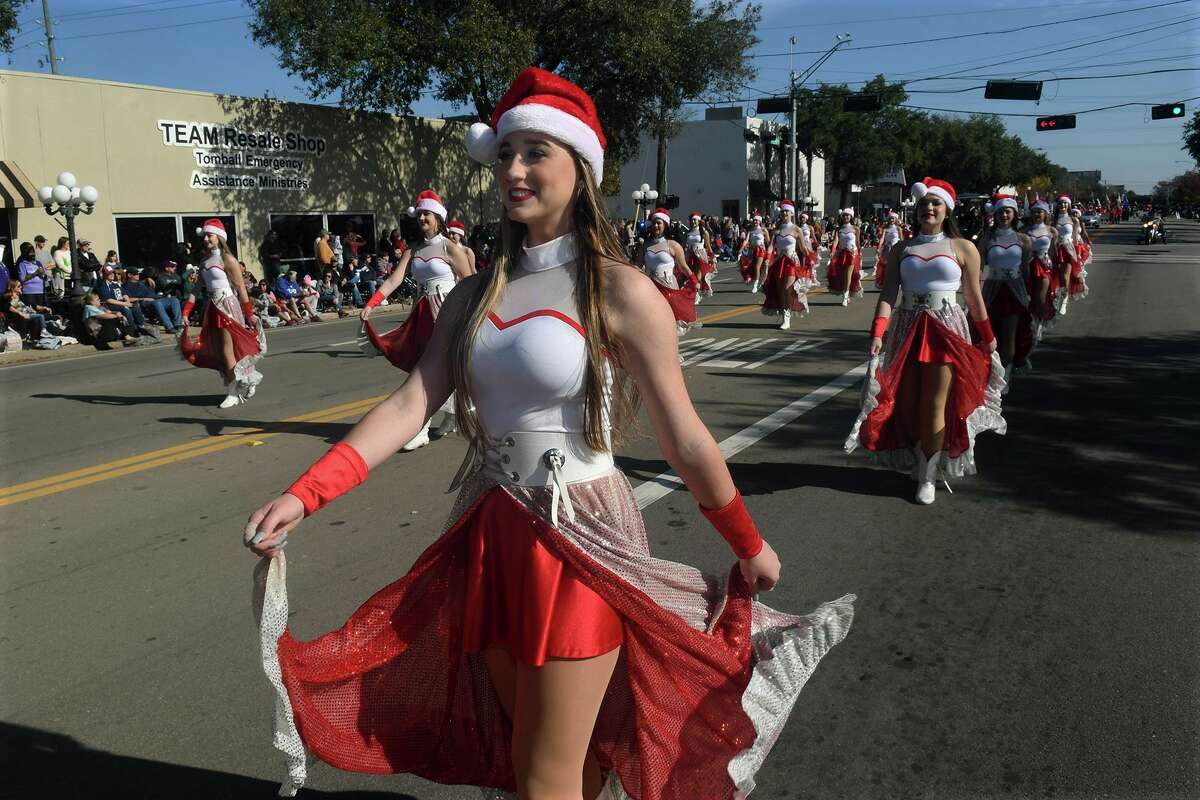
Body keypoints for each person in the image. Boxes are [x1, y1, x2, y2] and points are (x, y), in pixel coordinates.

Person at [245, 66, 853, 800]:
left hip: (580, 535)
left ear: (582, 167)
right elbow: (411, 404)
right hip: (490, 527)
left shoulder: (619, 289)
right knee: (545, 758)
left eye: (536, 151)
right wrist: (305, 494)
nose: (515, 169)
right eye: (506, 154)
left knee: (544, 774)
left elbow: (684, 434)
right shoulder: (476, 290)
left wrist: (746, 540)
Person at [845, 177, 1006, 505]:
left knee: (934, 403)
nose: (928, 209)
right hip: (907, 327)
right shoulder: (901, 248)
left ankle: (929, 473)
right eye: (923, 204)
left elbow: (974, 298)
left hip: (945, 328)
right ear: (915, 210)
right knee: (903, 405)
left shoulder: (963, 248)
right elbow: (890, 293)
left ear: (947, 210)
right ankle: (919, 455)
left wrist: (988, 338)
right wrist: (878, 332)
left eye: (935, 204)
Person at [360, 189, 472, 450]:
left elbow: (469, 281)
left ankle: (425, 425)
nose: (422, 218)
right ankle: (436, 420)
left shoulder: (449, 246)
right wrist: (372, 303)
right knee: (423, 368)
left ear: (438, 217)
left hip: (446, 310)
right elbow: (394, 279)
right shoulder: (415, 249)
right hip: (422, 311)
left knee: (435, 368)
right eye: (420, 214)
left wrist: (466, 313)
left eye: (427, 214)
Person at [178, 219, 265, 408]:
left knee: (229, 348)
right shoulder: (204, 262)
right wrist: (186, 311)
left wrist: (249, 313)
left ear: (219, 237)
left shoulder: (228, 260)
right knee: (224, 349)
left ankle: (233, 392)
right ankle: (247, 378)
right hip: (213, 306)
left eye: (210, 235)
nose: (207, 239)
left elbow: (241, 288)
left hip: (228, 304)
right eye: (206, 236)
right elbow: (195, 290)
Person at [978, 194, 1033, 394]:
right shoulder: (987, 239)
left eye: (1008, 211)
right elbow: (979, 268)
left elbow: (1026, 268)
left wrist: (1028, 294)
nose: (1004, 215)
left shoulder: (1023, 239)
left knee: (1009, 335)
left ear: (1014, 214)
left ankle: (1005, 375)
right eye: (1000, 211)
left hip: (1014, 290)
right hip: (992, 289)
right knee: (989, 334)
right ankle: (990, 371)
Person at [637, 208, 698, 341]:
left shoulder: (673, 245)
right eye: (653, 223)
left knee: (671, 319)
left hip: (668, 285)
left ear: (665, 224)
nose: (656, 226)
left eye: (659, 223)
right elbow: (637, 266)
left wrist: (695, 281)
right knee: (653, 319)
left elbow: (683, 267)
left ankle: (674, 350)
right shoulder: (645, 246)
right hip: (651, 286)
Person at [760, 200, 811, 330]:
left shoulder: (796, 229)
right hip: (779, 262)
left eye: (786, 211)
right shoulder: (777, 230)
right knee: (781, 291)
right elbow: (771, 246)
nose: (784, 213)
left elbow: (803, 248)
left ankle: (787, 317)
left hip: (792, 262)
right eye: (782, 211)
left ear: (791, 213)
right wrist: (768, 257)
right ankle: (784, 315)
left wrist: (810, 258)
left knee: (788, 289)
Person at [123, 267, 183, 334]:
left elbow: (152, 293)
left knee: (174, 300)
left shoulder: (141, 284)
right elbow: (128, 299)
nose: (137, 275)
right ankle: (169, 327)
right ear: (129, 275)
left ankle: (177, 325)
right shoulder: (125, 286)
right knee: (157, 303)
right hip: (143, 302)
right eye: (135, 274)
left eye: (138, 273)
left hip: (155, 299)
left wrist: (163, 296)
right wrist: (142, 299)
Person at [827, 208, 863, 307]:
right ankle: (846, 292)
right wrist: (832, 251)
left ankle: (845, 296)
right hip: (841, 254)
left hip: (852, 254)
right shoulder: (839, 229)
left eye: (848, 215)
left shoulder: (856, 228)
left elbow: (858, 242)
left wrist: (859, 252)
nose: (846, 217)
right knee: (842, 275)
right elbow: (835, 241)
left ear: (851, 217)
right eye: (844, 215)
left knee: (848, 275)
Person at [684, 212, 715, 302]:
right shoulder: (688, 232)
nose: (693, 222)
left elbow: (708, 246)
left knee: (698, 276)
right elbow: (684, 245)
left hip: (700, 255)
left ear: (698, 221)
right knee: (691, 276)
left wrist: (712, 256)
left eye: (695, 220)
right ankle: (696, 293)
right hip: (690, 255)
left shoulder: (703, 231)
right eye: (692, 220)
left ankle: (696, 295)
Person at [736, 212, 768, 291]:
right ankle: (757, 280)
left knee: (757, 266)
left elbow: (768, 241)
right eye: (754, 220)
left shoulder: (763, 230)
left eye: (757, 220)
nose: (755, 222)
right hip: (752, 250)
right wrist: (741, 249)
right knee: (752, 266)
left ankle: (755, 285)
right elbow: (746, 241)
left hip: (761, 250)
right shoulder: (751, 231)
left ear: (760, 221)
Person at [15, 242, 47, 308]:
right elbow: (22, 278)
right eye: (30, 252)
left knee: (42, 309)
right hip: (29, 292)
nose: (33, 254)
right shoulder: (22, 264)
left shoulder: (38, 263)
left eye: (33, 252)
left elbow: (44, 276)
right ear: (26, 253)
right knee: (33, 311)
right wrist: (35, 273)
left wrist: (43, 274)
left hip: (40, 291)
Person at [876, 210, 902, 288]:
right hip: (887, 249)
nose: (891, 220)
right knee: (886, 266)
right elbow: (882, 239)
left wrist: (902, 248)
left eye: (893, 218)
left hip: (896, 249)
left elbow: (901, 239)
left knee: (896, 266)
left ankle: (897, 281)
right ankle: (886, 282)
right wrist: (879, 247)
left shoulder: (898, 229)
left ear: (896, 220)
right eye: (890, 218)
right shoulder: (885, 229)